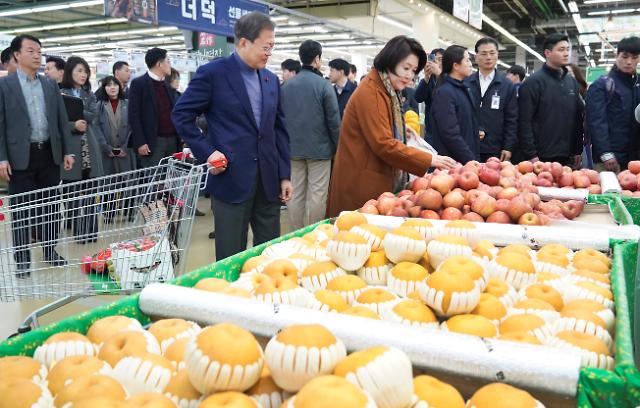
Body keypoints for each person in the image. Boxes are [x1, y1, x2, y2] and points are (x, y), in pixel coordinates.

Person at [172, 12, 292, 260]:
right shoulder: (213, 74)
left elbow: (278, 129)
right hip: (231, 178)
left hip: (268, 182)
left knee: (270, 253)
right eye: (266, 47)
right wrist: (207, 153)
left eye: (273, 47)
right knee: (230, 255)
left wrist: (284, 174)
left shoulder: (271, 80)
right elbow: (181, 114)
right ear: (244, 43)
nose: (269, 53)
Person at [327, 36, 456, 217]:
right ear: (390, 61)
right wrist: (428, 159)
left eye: (413, 70)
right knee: (356, 239)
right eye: (405, 68)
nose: (409, 75)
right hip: (361, 183)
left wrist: (399, 128)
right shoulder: (371, 91)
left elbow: (379, 124)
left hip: (372, 176)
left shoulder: (386, 88)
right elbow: (383, 143)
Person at [0, 34, 75, 276]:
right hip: (19, 157)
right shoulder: (5, 86)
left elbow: (61, 121)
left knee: (50, 207)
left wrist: (67, 151)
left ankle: (50, 251)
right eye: (31, 50)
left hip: (49, 154)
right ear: (16, 55)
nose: (37, 55)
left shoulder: (49, 84)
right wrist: (2, 158)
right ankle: (22, 260)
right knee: (21, 210)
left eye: (39, 51)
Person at [281, 40, 340, 231]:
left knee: (295, 195)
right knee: (318, 195)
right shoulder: (324, 86)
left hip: (292, 150)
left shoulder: (287, 86)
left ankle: (296, 233)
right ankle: (314, 234)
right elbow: (333, 121)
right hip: (320, 151)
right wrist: (338, 147)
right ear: (317, 59)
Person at [518, 33, 584, 167]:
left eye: (567, 49)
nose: (566, 53)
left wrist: (577, 150)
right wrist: (531, 154)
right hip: (541, 156)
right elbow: (524, 121)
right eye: (561, 50)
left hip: (567, 156)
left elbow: (577, 119)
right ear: (548, 53)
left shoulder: (571, 82)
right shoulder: (533, 82)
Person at [60, 56, 104, 243]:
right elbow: (58, 120)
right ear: (69, 72)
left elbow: (93, 115)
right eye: (79, 70)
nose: (83, 75)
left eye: (85, 71)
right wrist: (73, 124)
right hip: (71, 148)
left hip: (90, 148)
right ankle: (78, 233)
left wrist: (77, 109)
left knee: (91, 191)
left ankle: (91, 232)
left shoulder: (89, 94)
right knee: (72, 193)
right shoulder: (59, 93)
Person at [586, 36, 640, 173]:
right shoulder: (602, 85)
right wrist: (605, 153)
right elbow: (596, 122)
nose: (629, 62)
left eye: (634, 58)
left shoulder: (637, 85)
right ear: (617, 56)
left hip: (634, 159)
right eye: (625, 56)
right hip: (610, 160)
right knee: (609, 194)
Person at [465, 37, 518, 162]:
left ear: (497, 55)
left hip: (495, 148)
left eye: (492, 53)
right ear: (476, 57)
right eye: (483, 53)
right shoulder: (466, 83)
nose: (488, 57)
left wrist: (508, 146)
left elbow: (512, 119)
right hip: (468, 146)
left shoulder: (506, 85)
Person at [129, 47, 179, 168]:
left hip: (173, 140)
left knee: (171, 180)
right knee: (155, 181)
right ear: (159, 64)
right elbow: (133, 115)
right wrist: (141, 142)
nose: (170, 65)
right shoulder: (139, 84)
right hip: (153, 142)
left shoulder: (167, 86)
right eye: (168, 61)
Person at [430, 45, 479, 164]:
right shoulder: (445, 93)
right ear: (456, 66)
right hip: (452, 163)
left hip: (464, 158)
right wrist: (470, 159)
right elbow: (450, 133)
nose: (470, 64)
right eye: (467, 60)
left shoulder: (464, 88)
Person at [415, 48, 444, 140]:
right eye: (436, 60)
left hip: (446, 131)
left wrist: (440, 74)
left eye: (441, 60)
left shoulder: (451, 79)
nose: (438, 63)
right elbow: (418, 98)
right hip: (431, 131)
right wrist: (426, 78)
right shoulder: (429, 79)